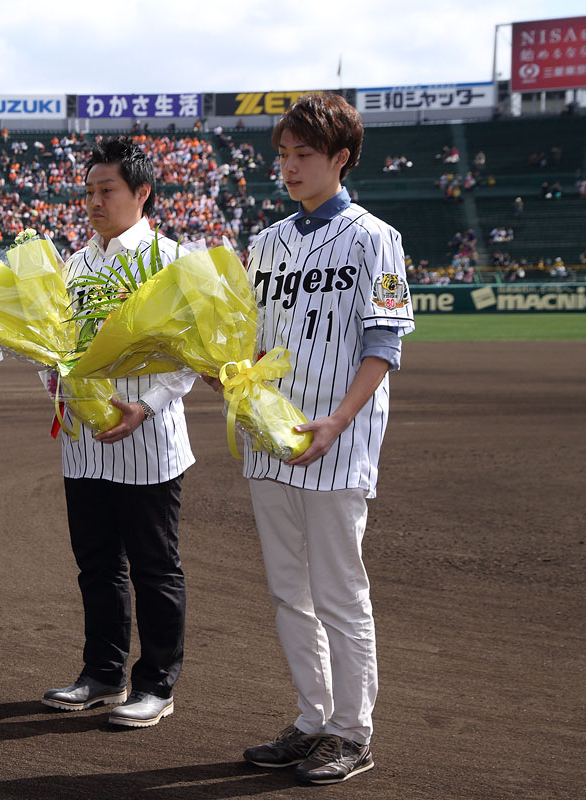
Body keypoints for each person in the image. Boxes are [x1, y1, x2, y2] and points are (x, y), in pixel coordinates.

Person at [231, 93, 414, 785]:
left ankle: (351, 732)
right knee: (287, 591)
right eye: (283, 154)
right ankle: (312, 721)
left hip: (337, 441)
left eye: (304, 154)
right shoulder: (268, 242)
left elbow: (384, 341)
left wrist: (339, 419)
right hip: (270, 441)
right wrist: (235, 379)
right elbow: (248, 340)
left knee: (338, 593)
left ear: (341, 158)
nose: (290, 166)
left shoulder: (376, 237)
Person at [41, 137, 197, 728]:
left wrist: (148, 403)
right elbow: (55, 343)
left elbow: (192, 352)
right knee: (96, 563)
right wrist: (52, 379)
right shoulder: (75, 264)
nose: (94, 201)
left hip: (149, 440)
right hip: (83, 443)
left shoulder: (170, 260)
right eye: (88, 191)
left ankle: (156, 684)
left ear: (142, 193)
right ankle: (102, 673)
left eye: (107, 190)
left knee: (156, 566)